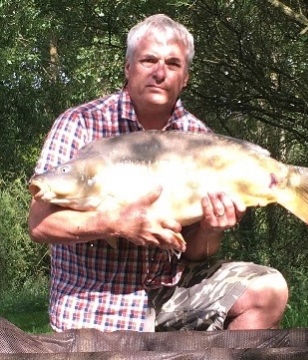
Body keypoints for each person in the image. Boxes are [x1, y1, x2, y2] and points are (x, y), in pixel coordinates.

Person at [28, 14, 288, 333]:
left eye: (173, 64)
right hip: (95, 305)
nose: (160, 72)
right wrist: (114, 223)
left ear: (186, 77)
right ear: (127, 68)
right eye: (148, 60)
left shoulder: (200, 138)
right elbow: (39, 224)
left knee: (268, 290)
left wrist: (211, 228)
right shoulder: (81, 124)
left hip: (168, 293)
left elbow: (194, 253)